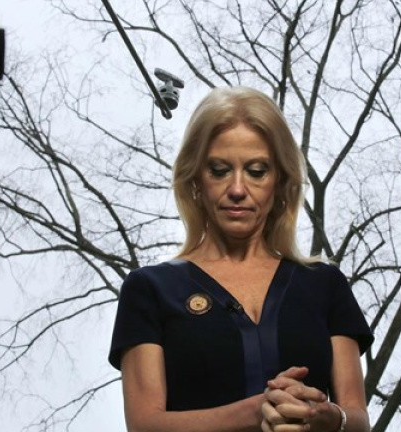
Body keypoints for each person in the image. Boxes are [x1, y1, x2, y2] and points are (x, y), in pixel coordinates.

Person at [108, 86, 373, 432]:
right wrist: (256, 411)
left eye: (257, 171)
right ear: (195, 179)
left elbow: (358, 419)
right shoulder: (150, 289)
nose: (237, 189)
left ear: (280, 181)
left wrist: (322, 415)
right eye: (219, 170)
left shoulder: (325, 284)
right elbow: (145, 425)